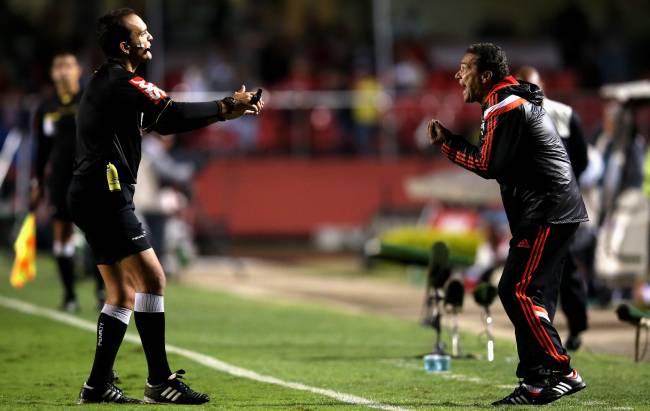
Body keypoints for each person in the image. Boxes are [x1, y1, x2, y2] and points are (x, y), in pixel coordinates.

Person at [70, 8, 263, 404]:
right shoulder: (122, 82)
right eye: (142, 33)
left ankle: (96, 385)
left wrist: (224, 109)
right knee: (153, 280)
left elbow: (161, 122)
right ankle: (159, 380)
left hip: (92, 193)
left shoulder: (107, 81)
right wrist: (228, 106)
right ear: (125, 45)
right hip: (104, 194)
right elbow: (171, 114)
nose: (150, 38)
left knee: (121, 293)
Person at [426, 43, 588, 406]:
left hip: (547, 211)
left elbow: (489, 164)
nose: (457, 75)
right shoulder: (508, 100)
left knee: (516, 290)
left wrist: (448, 143)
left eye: (465, 68)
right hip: (552, 209)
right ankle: (535, 381)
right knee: (532, 295)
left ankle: (562, 371)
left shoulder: (504, 105)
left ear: (486, 76)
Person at [514, 66, 589, 351]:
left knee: (560, 268)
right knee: (549, 271)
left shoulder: (564, 115)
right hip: (537, 206)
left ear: (541, 84)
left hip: (559, 205)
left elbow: (580, 159)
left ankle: (573, 327)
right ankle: (551, 333)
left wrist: (565, 186)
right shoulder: (518, 116)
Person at [32, 52, 105, 312]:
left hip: (89, 175)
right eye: (59, 66)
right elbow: (41, 149)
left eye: (69, 66)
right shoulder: (46, 106)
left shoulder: (90, 97)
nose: (64, 71)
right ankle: (70, 295)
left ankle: (101, 289)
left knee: (96, 233)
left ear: (78, 71)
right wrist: (37, 182)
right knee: (61, 234)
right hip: (60, 179)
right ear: (53, 73)